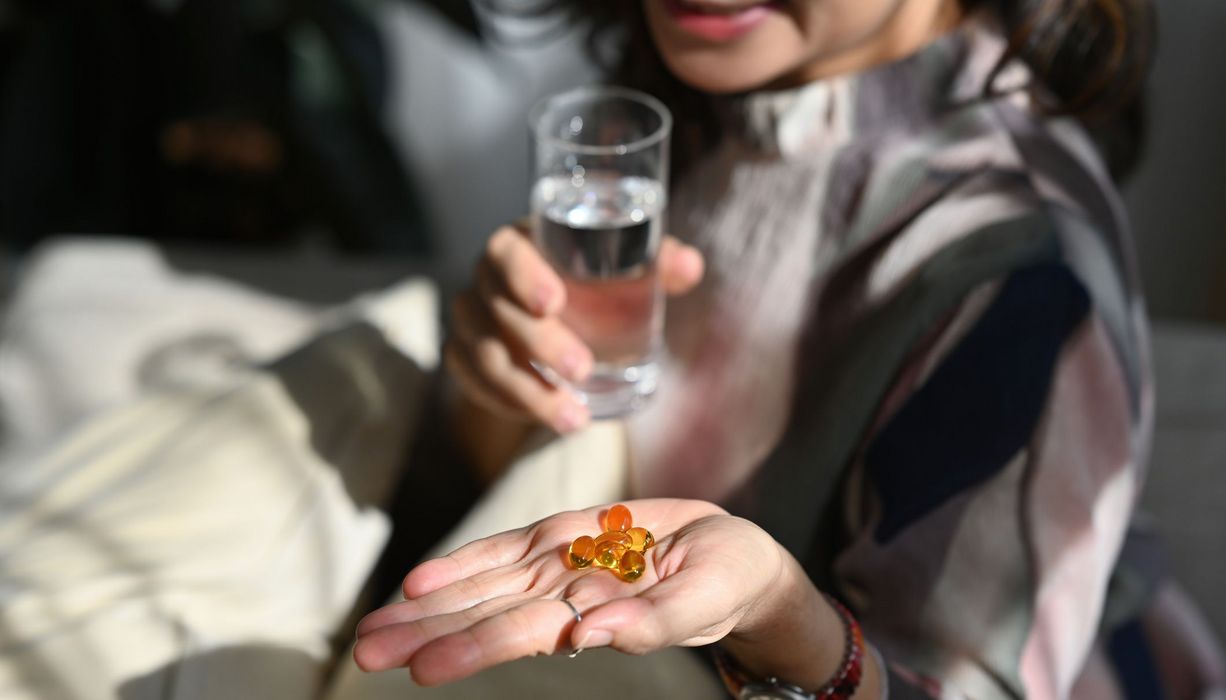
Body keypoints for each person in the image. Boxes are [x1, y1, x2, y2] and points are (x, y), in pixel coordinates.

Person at [354, 0, 1225, 697]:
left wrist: (779, 615)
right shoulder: (700, 106)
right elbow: (526, 468)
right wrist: (504, 382)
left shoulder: (1017, 271)